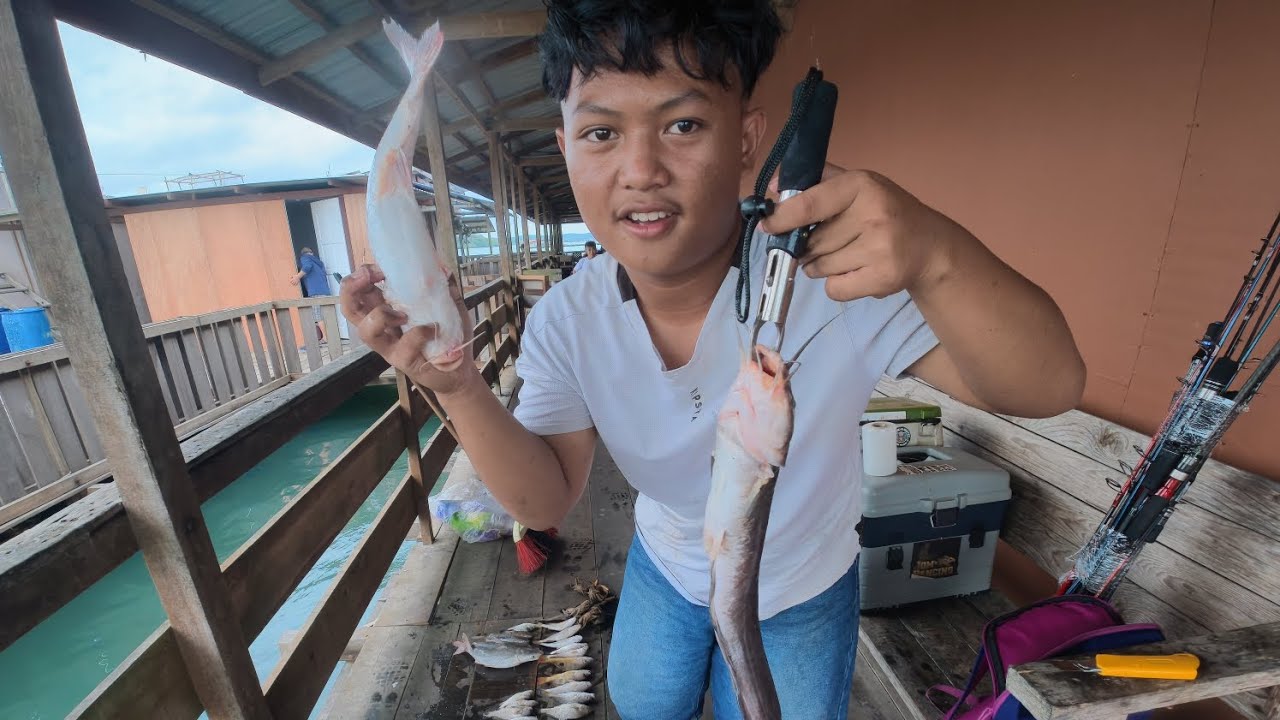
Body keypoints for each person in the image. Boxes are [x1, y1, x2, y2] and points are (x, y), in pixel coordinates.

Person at [339, 1, 1086, 717]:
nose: (640, 169)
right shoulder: (567, 318)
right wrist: (461, 387)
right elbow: (541, 504)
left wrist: (934, 253)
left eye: (684, 123)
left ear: (747, 140)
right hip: (666, 561)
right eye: (601, 133)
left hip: (804, 584)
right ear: (565, 148)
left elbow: (1049, 385)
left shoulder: (834, 280)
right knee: (643, 700)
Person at [290, 247, 330, 343]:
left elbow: (307, 267)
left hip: (316, 292)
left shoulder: (305, 258)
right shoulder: (318, 262)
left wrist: (297, 277)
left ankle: (325, 338)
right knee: (326, 314)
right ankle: (330, 335)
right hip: (325, 291)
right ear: (311, 253)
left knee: (318, 315)